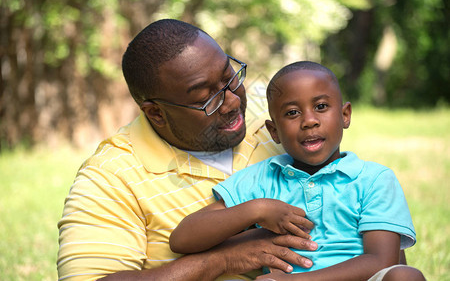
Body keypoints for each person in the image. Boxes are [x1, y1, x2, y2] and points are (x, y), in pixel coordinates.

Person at [57, 19, 319, 281]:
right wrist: (221, 260)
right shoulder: (111, 176)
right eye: (207, 99)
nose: (232, 102)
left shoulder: (275, 120)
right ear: (156, 113)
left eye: (229, 78)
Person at [169, 61, 426, 281]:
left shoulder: (373, 179)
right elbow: (182, 239)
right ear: (274, 132)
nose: (309, 121)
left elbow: (382, 261)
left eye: (321, 107)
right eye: (292, 113)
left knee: (406, 276)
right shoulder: (262, 179)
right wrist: (257, 209)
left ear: (345, 115)